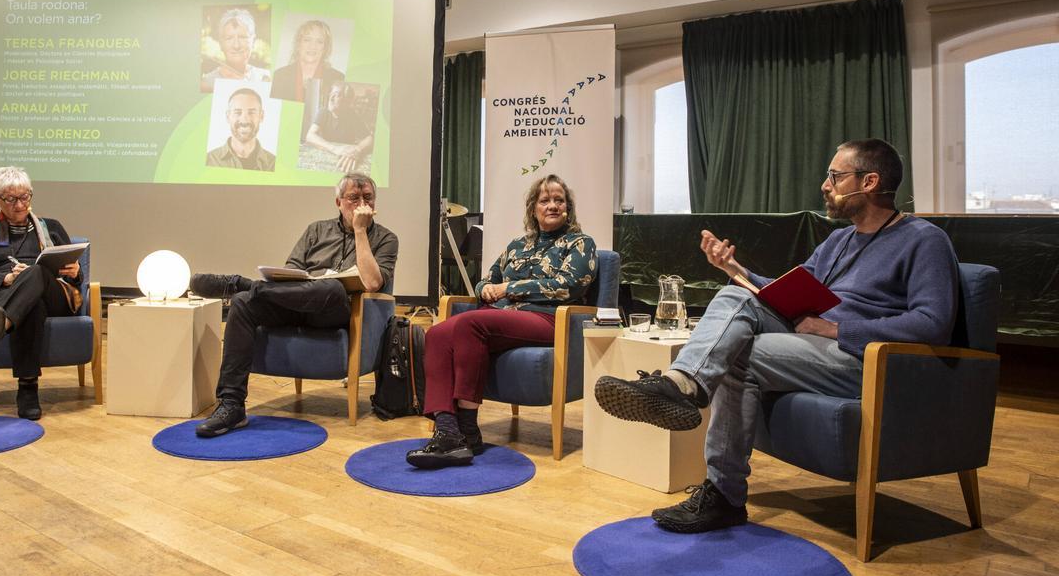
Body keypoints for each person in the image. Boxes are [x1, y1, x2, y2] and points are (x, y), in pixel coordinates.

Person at [595, 139, 959, 533]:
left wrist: (838, 328)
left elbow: (932, 322)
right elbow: (787, 292)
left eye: (836, 176)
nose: (825, 184)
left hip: (864, 358)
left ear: (869, 181)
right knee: (735, 294)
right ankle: (685, 384)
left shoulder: (925, 240)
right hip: (813, 344)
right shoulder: (839, 240)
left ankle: (723, 493)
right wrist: (736, 269)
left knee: (740, 354)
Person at [406, 174, 598, 468]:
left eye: (559, 200)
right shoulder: (518, 245)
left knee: (472, 324)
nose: (552, 205)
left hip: (548, 319)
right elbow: (487, 279)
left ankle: (467, 429)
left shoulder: (580, 243)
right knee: (438, 334)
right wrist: (486, 288)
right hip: (504, 319)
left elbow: (568, 285)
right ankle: (448, 431)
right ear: (533, 208)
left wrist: (509, 288)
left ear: (568, 208)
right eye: (545, 200)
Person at [191, 172, 398, 437]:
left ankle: (242, 283)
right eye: (353, 198)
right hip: (296, 302)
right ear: (338, 202)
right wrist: (296, 282)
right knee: (243, 304)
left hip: (336, 310)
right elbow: (290, 273)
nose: (361, 205)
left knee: (333, 288)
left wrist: (360, 230)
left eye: (367, 198)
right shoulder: (316, 230)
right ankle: (232, 405)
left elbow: (371, 283)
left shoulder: (386, 239)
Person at [0, 166, 84, 420]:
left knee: (36, 273)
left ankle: (0, 324)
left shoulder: (50, 227)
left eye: (25, 197)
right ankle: (28, 389)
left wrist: (75, 271)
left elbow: (75, 272)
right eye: (11, 199)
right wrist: (8, 278)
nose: (20, 205)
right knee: (31, 304)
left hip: (54, 295)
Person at [304, 82, 374, 172]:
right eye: (331, 94)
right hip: (330, 152)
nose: (331, 98)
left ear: (347, 101)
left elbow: (370, 139)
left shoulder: (351, 115)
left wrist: (357, 150)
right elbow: (310, 136)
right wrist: (335, 148)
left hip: (348, 156)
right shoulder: (323, 112)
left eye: (337, 95)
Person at [271, 20, 344, 103]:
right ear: (299, 44)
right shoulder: (279, 76)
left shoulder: (338, 78)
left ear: (325, 48)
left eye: (319, 41)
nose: (313, 46)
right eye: (307, 40)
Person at [200, 8, 270, 92]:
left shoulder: (265, 78)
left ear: (253, 41)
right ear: (221, 44)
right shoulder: (208, 82)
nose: (236, 45)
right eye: (229, 38)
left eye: (242, 37)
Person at [206, 87, 276, 171]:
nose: (244, 120)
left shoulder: (275, 164)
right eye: (238, 112)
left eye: (251, 112)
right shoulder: (209, 161)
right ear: (228, 116)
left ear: (261, 116)